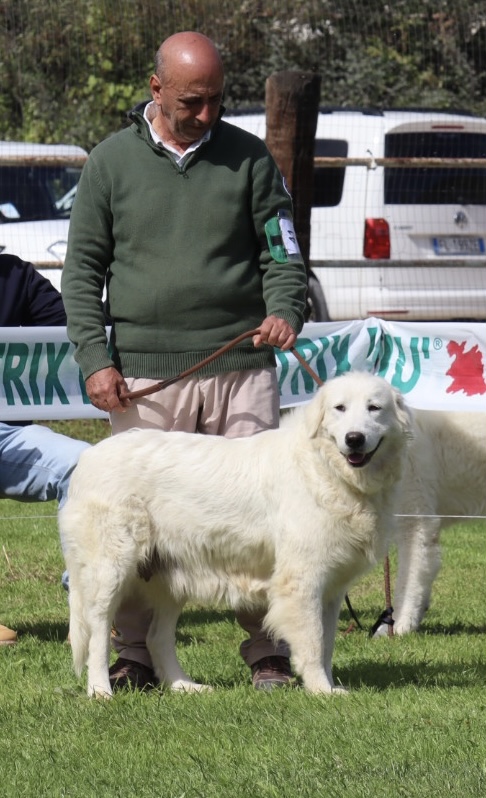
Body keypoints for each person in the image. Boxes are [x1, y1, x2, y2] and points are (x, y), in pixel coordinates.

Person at [61, 31, 308, 691]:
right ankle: (132, 657)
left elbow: (282, 253)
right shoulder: (110, 162)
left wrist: (285, 309)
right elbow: (81, 273)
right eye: (192, 101)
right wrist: (95, 359)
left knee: (262, 518)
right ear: (156, 88)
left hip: (242, 367)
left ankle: (270, 651)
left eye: (216, 100)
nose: (206, 113)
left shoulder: (251, 158)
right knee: (137, 529)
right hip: (145, 377)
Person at [0, 253, 90, 645]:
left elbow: (71, 328)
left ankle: (87, 612)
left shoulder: (14, 274)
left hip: (8, 432)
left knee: (85, 465)